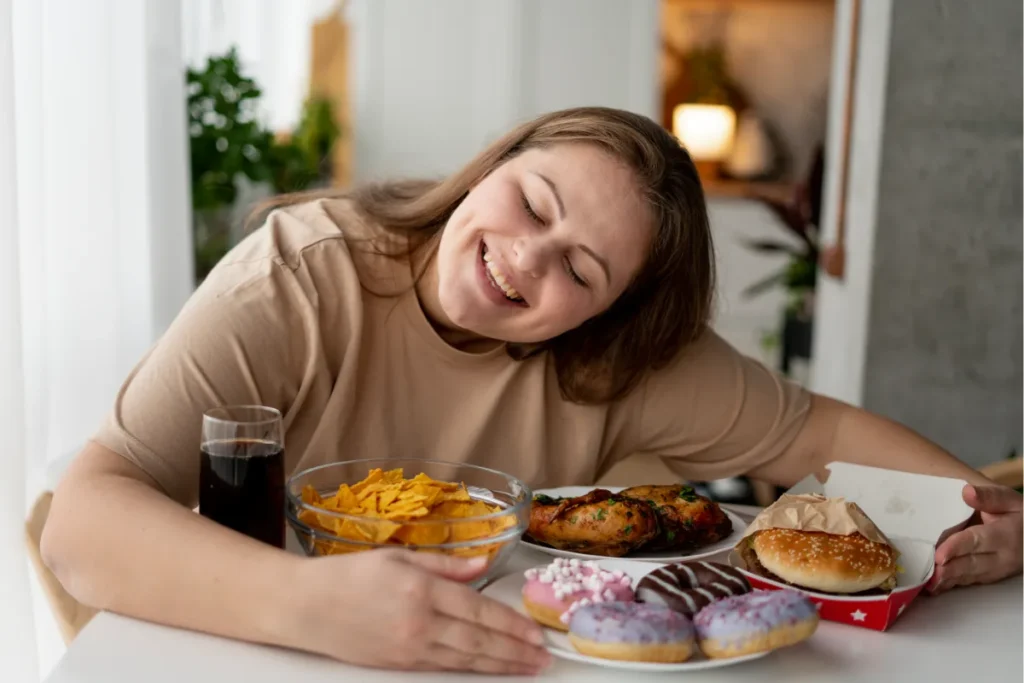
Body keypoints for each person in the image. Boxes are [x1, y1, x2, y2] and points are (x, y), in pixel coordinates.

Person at [42, 107, 1021, 675]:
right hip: (261, 644)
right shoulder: (299, 277)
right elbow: (80, 522)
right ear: (492, 166)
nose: (527, 254)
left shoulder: (627, 358)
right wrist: (308, 601)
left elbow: (820, 427)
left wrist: (996, 513)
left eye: (583, 270)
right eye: (532, 201)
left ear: (603, 315)